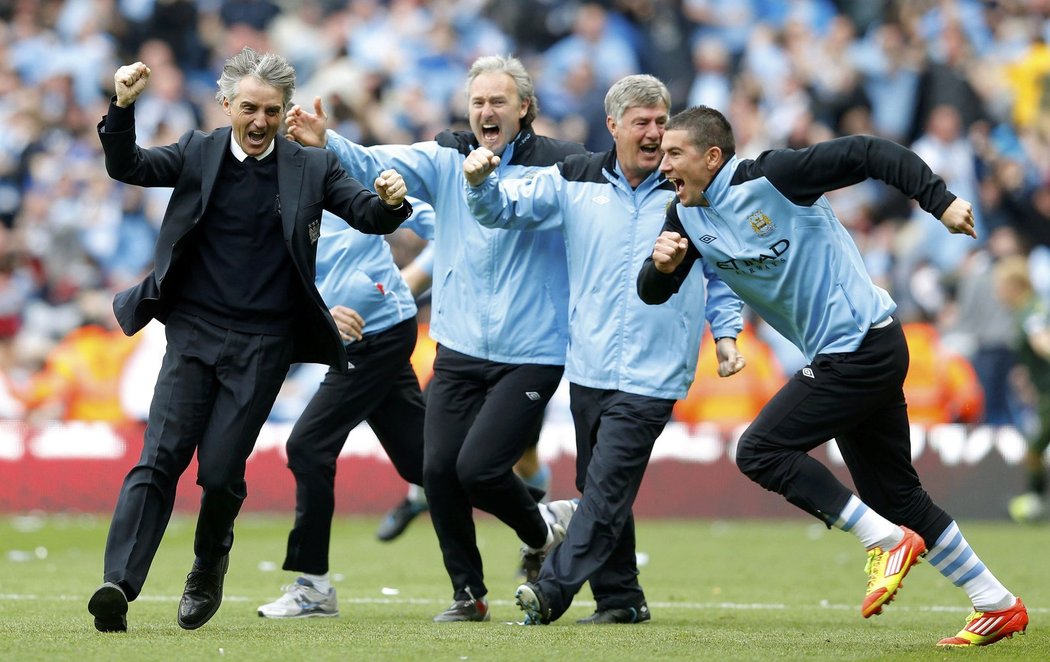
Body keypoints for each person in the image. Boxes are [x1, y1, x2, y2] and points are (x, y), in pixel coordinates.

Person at [638, 105, 1028, 648]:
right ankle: (997, 604)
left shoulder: (775, 178)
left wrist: (939, 201)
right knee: (897, 496)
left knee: (759, 451)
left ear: (711, 156)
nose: (663, 164)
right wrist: (657, 269)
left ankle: (884, 542)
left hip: (863, 346)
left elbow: (871, 151)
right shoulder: (685, 215)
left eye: (675, 153)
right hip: (850, 353)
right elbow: (652, 291)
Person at [87, 47, 413, 633]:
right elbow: (127, 165)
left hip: (264, 345)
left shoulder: (311, 167)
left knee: (217, 472)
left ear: (285, 109)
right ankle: (118, 584)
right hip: (192, 335)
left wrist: (392, 202)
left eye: (270, 110)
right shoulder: (196, 151)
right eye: (248, 109)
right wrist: (123, 106)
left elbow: (366, 213)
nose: (259, 121)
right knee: (158, 458)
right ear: (226, 105)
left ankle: (208, 564)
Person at [285, 54, 584, 622]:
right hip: (459, 346)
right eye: (478, 102)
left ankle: (541, 527)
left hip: (532, 353)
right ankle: (471, 592)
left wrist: (482, 185)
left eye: (499, 101)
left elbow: (502, 212)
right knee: (437, 470)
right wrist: (330, 141)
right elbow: (377, 160)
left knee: (478, 469)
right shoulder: (446, 156)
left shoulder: (559, 168)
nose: (487, 111)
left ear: (524, 107)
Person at [463, 75, 744, 625]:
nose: (656, 134)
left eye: (663, 122)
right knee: (599, 487)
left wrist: (727, 335)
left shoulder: (689, 189)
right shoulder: (573, 177)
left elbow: (724, 274)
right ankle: (621, 599)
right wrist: (479, 184)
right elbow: (501, 210)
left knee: (605, 488)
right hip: (589, 363)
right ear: (613, 125)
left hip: (656, 368)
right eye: (643, 122)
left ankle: (552, 589)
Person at [257, 201, 433, 619]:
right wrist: (319, 317)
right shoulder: (276, 190)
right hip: (363, 336)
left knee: (307, 445)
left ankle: (312, 584)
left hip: (377, 333)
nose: (293, 131)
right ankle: (541, 519)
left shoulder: (347, 171)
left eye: (298, 128)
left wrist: (416, 270)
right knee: (423, 463)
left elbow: (436, 217)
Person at [993, 256, 1050, 524]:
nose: (998, 293)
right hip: (1044, 393)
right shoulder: (1033, 308)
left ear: (1014, 286)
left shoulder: (1031, 312)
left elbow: (1042, 343)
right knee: (1035, 449)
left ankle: (1035, 502)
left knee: (1034, 448)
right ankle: (1035, 502)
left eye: (1000, 286)